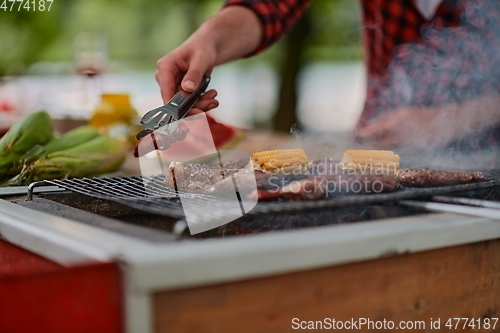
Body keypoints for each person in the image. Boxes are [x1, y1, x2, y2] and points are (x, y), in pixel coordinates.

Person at [156, 0, 500, 154]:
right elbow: (268, 5)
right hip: (376, 148)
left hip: (488, 161)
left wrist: (450, 120)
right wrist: (211, 39)